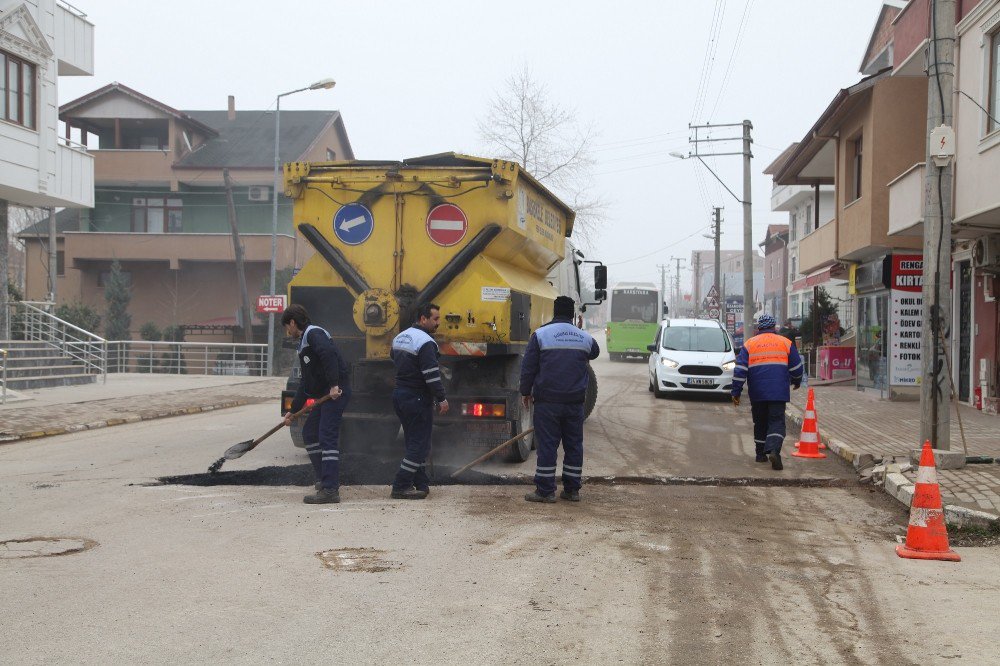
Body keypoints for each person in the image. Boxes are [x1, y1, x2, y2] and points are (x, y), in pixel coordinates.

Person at [519, 296, 600, 503]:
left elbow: (528, 368)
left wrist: (525, 392)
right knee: (574, 445)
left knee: (547, 445)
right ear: (572, 314)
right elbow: (595, 352)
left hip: (547, 403)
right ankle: (572, 490)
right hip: (574, 404)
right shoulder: (584, 338)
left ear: (554, 312)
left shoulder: (540, 335)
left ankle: (545, 491)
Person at [281, 304, 351, 504]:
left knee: (326, 435)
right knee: (310, 433)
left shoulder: (314, 334)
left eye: (288, 326)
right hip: (326, 393)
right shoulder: (303, 343)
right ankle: (323, 479)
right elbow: (305, 382)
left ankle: (330, 489)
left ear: (293, 322)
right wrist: (292, 411)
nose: (288, 331)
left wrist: (334, 385)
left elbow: (328, 355)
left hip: (335, 393)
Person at [389, 302, 449, 500]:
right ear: (423, 319)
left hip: (400, 395)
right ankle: (401, 485)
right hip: (417, 397)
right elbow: (431, 375)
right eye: (435, 319)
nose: (438, 323)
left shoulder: (400, 337)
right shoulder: (426, 342)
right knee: (420, 445)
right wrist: (441, 398)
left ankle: (421, 482)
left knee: (413, 441)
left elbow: (393, 359)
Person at [731, 313, 803, 471]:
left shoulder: (750, 344)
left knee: (760, 421)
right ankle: (774, 451)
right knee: (776, 421)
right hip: (778, 392)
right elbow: (796, 368)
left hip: (757, 393)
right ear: (774, 327)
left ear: (759, 328)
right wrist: (797, 381)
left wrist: (735, 392)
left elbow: (740, 370)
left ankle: (760, 454)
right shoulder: (785, 342)